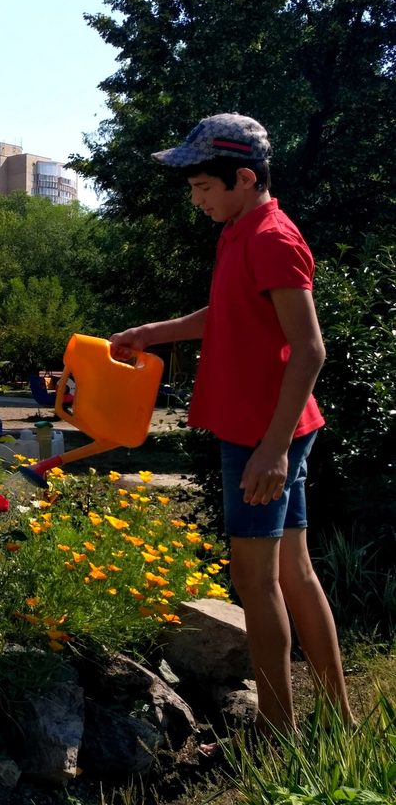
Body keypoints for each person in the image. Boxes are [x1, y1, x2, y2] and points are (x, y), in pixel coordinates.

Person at [110, 113, 353, 735]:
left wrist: (271, 451)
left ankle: (279, 734)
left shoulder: (272, 237)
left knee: (256, 579)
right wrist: (151, 333)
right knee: (294, 573)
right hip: (269, 428)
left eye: (203, 189)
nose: (197, 202)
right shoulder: (239, 229)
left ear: (243, 177)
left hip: (262, 434)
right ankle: (340, 717)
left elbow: (310, 348)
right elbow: (227, 311)